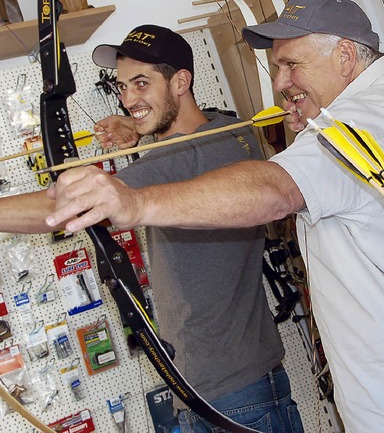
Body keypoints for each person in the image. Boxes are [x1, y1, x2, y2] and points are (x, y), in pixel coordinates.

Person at [46, 0, 384, 433]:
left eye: (291, 65)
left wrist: (134, 202)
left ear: (345, 56)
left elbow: (278, 190)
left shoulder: (370, 122)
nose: (281, 82)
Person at [0, 24, 304, 433]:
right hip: (222, 387)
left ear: (181, 81)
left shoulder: (191, 152)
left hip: (232, 397)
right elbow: (184, 150)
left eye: (142, 84)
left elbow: (63, 206)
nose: (128, 99)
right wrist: (142, 131)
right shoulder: (226, 131)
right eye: (123, 87)